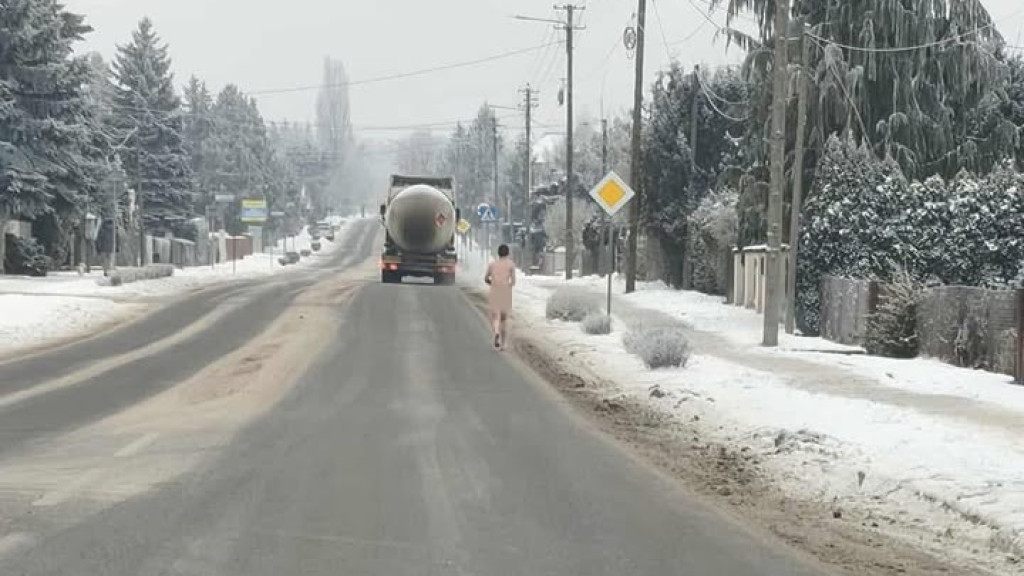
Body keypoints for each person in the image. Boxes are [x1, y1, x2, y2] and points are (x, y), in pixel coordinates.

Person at [485, 244, 516, 350]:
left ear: (498, 253)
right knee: (504, 319)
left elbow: (486, 278)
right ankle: (503, 344)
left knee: (495, 317)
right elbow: (513, 281)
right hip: (505, 292)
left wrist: (492, 283)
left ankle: (496, 332)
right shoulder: (511, 265)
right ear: (508, 253)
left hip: (495, 291)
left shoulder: (492, 264)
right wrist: (508, 287)